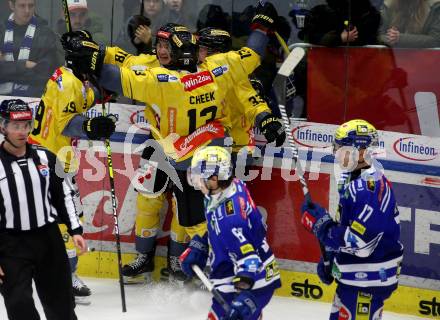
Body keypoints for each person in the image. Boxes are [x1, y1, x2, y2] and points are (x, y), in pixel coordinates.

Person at [28, 30, 116, 303]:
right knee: (69, 220)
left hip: (50, 154)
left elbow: (83, 98)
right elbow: (67, 123)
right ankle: (65, 279)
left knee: (56, 220)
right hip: (52, 160)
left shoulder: (71, 77)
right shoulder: (68, 83)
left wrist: (100, 94)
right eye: (91, 56)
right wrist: (92, 126)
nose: (95, 60)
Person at [300, 119, 404, 320]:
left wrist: (321, 226)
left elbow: (362, 245)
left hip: (368, 280)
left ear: (363, 151)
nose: (336, 153)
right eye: (337, 147)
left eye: (342, 148)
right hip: (356, 277)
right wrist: (332, 257)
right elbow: (348, 228)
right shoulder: (354, 178)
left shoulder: (367, 188)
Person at [0, 99, 87, 320]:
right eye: (15, 126)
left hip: (48, 240)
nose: (22, 132)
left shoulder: (45, 157)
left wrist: (75, 230)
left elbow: (63, 195)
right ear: (3, 127)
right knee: (18, 304)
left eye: (26, 125)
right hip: (10, 245)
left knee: (61, 304)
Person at [180, 146, 281, 320]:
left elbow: (249, 260)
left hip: (253, 281)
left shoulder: (230, 219)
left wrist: (245, 299)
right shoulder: (227, 189)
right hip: (235, 270)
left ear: (213, 178)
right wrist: (202, 246)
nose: (195, 179)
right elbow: (220, 230)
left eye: (198, 173)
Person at [197, 27, 285, 170]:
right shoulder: (199, 73)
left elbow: (251, 102)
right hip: (214, 147)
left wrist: (266, 120)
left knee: (224, 191)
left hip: (236, 150)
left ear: (216, 53)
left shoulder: (232, 75)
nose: (196, 54)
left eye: (201, 49)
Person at [0, 0, 58, 97]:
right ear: (11, 5)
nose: (27, 11)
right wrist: (24, 65)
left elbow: (45, 74)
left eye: (31, 6)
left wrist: (8, 68)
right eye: (22, 6)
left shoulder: (46, 34)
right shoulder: (1, 31)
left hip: (35, 99)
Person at [299, 0, 381, 46]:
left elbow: (373, 32)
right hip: (326, 63)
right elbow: (313, 37)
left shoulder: (365, 10)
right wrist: (340, 38)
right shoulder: (322, 8)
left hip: (358, 62)